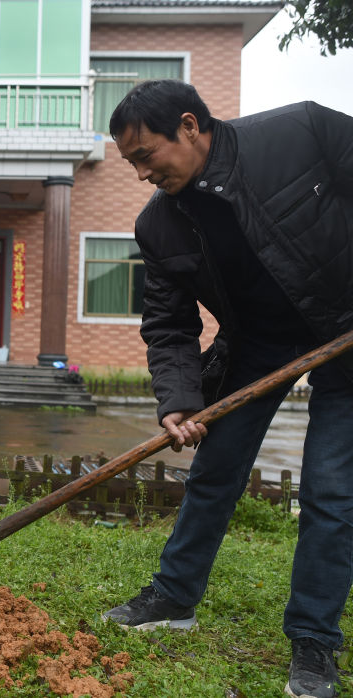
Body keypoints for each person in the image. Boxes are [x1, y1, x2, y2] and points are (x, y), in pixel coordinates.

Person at [102, 79, 353, 698]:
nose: (140, 174)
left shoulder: (303, 133)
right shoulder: (159, 224)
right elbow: (169, 324)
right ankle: (174, 597)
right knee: (215, 470)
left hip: (348, 326)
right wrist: (180, 401)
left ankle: (313, 643)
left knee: (330, 493)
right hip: (260, 344)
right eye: (130, 162)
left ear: (190, 126)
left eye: (144, 156)